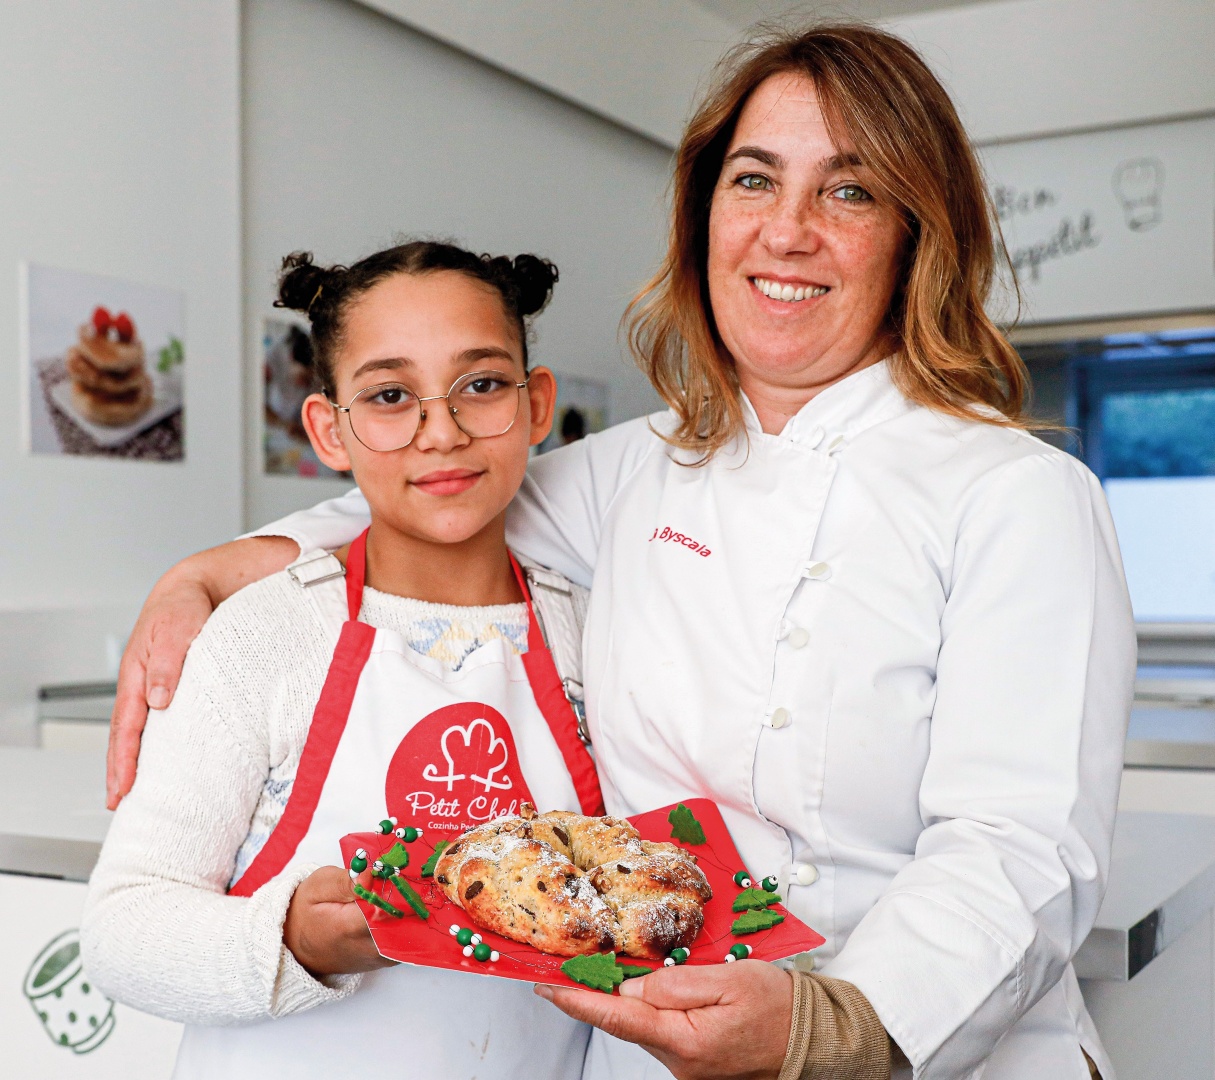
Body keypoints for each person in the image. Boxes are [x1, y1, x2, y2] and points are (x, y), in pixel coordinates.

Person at [104, 24, 1135, 1080]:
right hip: (650, 1046)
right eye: (754, 180)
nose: (787, 232)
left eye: (850, 191)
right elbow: (436, 495)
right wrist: (209, 573)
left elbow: (1023, 848)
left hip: (921, 1045)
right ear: (703, 215)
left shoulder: (1019, 496)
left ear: (920, 231)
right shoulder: (638, 470)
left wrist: (829, 1027)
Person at [82, 240, 602, 1078]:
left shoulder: (598, 636)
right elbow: (120, 932)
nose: (444, 431)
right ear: (330, 428)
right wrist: (293, 940)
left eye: (480, 385)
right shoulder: (264, 637)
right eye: (390, 396)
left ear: (536, 405)